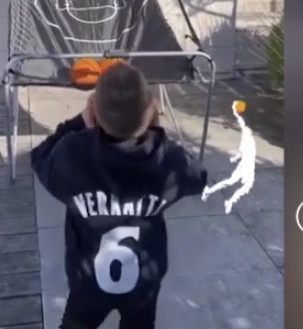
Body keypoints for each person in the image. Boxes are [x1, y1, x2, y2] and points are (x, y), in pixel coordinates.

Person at [31, 62, 209, 328]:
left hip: (87, 284)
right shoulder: (167, 160)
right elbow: (198, 177)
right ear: (151, 109)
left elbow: (40, 155)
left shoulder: (73, 154)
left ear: (94, 110)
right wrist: (156, 133)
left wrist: (79, 122)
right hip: (143, 283)